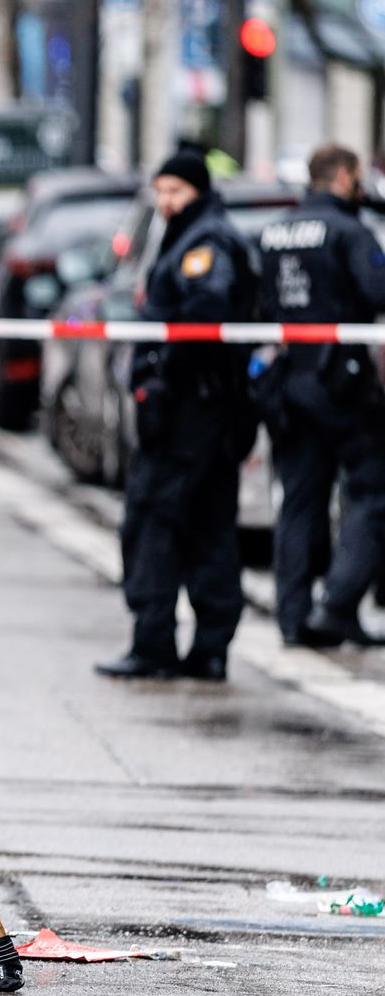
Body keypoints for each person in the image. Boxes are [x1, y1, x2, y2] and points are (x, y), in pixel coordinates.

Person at [96, 152, 258, 681]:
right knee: (209, 524)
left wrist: (163, 381)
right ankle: (209, 650)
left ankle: (155, 644)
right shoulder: (196, 236)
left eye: (177, 192)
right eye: (161, 191)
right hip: (209, 410)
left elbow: (202, 313)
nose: (166, 203)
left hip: (191, 412)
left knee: (153, 521)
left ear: (199, 192)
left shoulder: (205, 243)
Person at [258, 144, 385, 648]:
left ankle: (293, 617)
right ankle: (337, 603)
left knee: (300, 500)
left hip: (289, 381)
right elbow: (378, 291)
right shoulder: (349, 231)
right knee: (372, 490)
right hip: (342, 383)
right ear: (346, 176)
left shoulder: (274, 231)